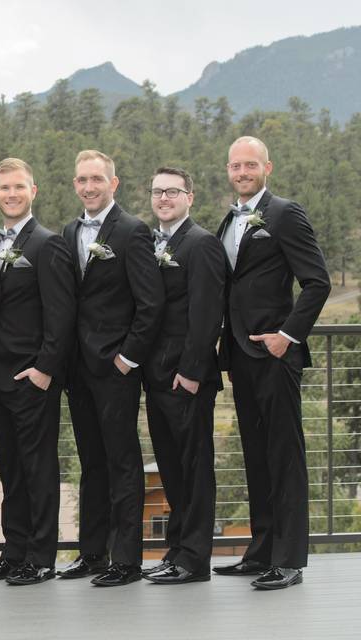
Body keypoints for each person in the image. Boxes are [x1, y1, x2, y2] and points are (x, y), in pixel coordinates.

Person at [213, 136, 331, 590]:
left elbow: (316, 282)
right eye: (235, 166)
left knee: (285, 456)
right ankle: (261, 550)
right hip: (240, 356)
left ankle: (289, 559)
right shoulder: (230, 218)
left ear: (268, 167)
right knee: (257, 457)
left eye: (250, 165)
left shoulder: (284, 213)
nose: (241, 172)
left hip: (276, 355)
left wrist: (288, 335)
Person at [59, 150, 163, 587]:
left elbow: (151, 303)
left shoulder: (133, 231)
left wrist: (127, 358)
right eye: (82, 179)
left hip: (116, 369)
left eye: (96, 179)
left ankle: (126, 560)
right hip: (78, 371)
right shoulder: (69, 231)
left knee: (122, 463)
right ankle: (92, 553)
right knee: (91, 463)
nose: (88, 186)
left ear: (113, 183)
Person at [0, 159, 75, 586]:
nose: (11, 194)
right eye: (4, 188)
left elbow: (61, 316)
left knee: (38, 468)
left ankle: (40, 556)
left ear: (32, 191)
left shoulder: (47, 244)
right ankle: (13, 550)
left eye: (18, 186)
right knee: (10, 469)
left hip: (32, 378)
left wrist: (44, 370)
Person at [140, 167, 226, 585]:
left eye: (172, 191)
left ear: (189, 196)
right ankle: (176, 550)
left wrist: (192, 372)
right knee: (172, 470)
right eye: (157, 192)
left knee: (194, 469)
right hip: (156, 377)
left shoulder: (201, 244)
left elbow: (207, 315)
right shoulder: (154, 242)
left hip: (186, 379)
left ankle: (194, 560)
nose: (163, 198)